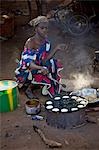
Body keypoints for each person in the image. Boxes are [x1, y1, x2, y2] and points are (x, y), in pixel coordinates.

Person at [15, 16, 66, 98]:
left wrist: (57, 48)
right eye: (42, 28)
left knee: (54, 63)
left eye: (46, 28)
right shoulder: (30, 42)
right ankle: (29, 87)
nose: (45, 30)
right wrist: (40, 68)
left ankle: (42, 84)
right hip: (28, 68)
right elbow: (28, 63)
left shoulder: (46, 42)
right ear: (36, 29)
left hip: (38, 65)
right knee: (32, 70)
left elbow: (45, 59)